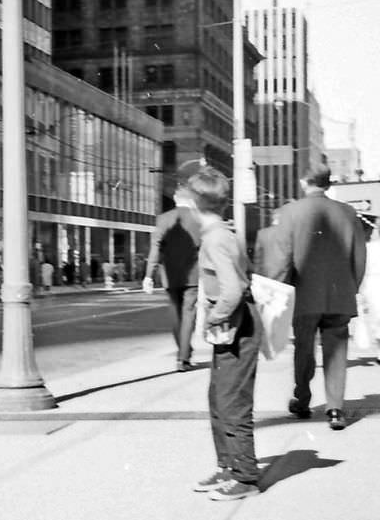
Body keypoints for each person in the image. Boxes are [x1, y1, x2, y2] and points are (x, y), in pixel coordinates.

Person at [268, 163, 367, 431]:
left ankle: (302, 399)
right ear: (329, 183)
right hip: (339, 293)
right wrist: (352, 286)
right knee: (337, 351)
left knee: (303, 349)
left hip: (304, 293)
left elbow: (282, 258)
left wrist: (276, 290)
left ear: (303, 182)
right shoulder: (348, 213)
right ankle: (335, 409)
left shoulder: (290, 212)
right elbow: (359, 257)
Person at [188, 167, 262, 501]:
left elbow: (232, 290)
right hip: (234, 325)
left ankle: (245, 476)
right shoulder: (222, 233)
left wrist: (211, 319)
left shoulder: (216, 238)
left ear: (194, 204)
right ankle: (228, 467)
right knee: (219, 398)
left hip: (235, 325)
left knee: (232, 402)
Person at [143, 181, 201, 371]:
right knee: (189, 315)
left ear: (176, 199)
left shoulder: (163, 219)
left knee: (176, 316)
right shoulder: (198, 218)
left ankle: (183, 351)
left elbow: (155, 248)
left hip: (170, 276)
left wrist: (149, 275)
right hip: (193, 276)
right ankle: (183, 357)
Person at [360, 223, 380, 363]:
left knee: (377, 318)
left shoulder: (369, 248)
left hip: (373, 285)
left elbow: (363, 270)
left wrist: (361, 290)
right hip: (373, 282)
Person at [252, 210, 280, 276]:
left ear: (272, 218)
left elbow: (257, 258)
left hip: (265, 274)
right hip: (284, 276)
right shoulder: (287, 233)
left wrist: (257, 274)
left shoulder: (262, 233)